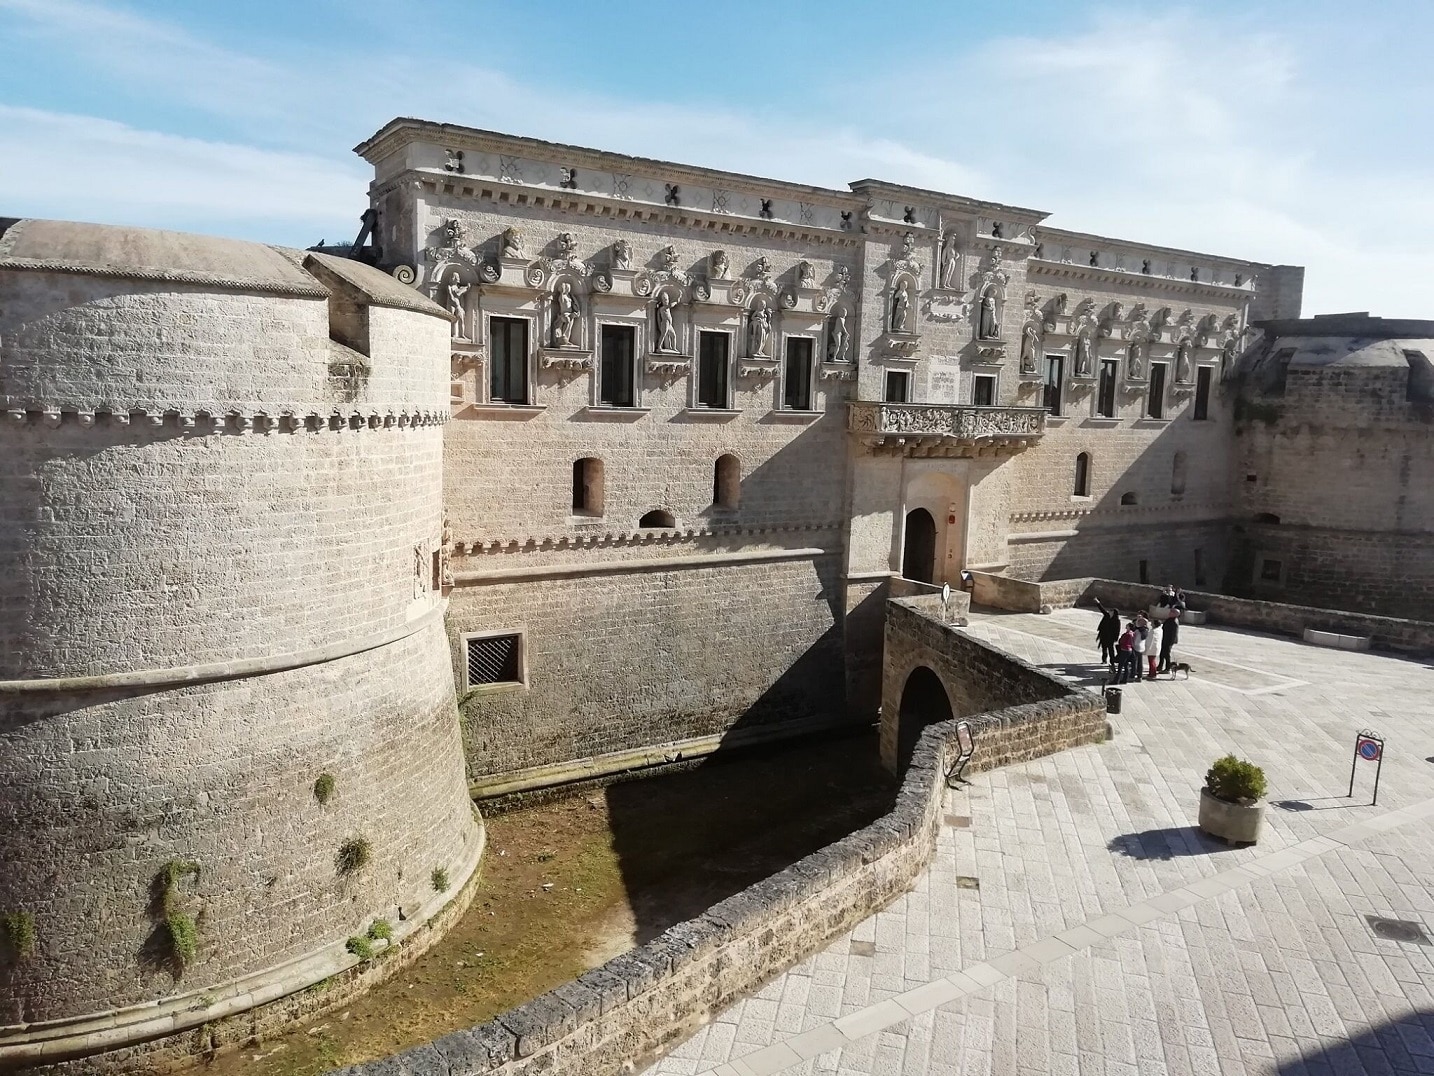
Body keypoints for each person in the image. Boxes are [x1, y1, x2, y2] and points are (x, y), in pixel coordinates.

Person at [1093, 598, 1121, 666]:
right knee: (1104, 648)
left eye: (1111, 611)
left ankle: (1112, 661)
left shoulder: (1117, 621)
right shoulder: (1107, 616)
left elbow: (1117, 630)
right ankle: (1104, 660)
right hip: (1104, 635)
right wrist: (1098, 603)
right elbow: (1102, 609)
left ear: (1114, 613)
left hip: (1110, 637)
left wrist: (1115, 638)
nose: (1109, 612)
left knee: (1111, 650)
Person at [1159, 608, 1180, 674]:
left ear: (1175, 614)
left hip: (1168, 640)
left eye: (1172, 612)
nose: (1170, 612)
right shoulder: (1170, 619)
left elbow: (1174, 633)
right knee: (1162, 653)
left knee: (1166, 654)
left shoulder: (1174, 621)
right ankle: (1160, 666)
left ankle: (1167, 668)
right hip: (1164, 638)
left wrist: (1171, 641)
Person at [1131, 613, 1150, 681]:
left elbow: (1135, 639)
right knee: (1140, 662)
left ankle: (1133, 675)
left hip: (1136, 647)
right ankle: (1140, 676)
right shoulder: (1146, 630)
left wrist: (1133, 645)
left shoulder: (1138, 631)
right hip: (1142, 648)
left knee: (1134, 662)